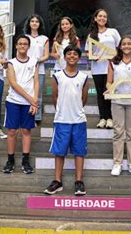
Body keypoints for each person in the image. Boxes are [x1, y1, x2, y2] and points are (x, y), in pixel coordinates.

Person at [44, 45, 89, 196]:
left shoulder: (83, 77)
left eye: (75, 54)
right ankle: (57, 181)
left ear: (79, 57)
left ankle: (79, 181)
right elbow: (55, 97)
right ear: (64, 56)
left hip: (78, 120)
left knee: (79, 152)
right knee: (59, 152)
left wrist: (75, 110)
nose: (72, 56)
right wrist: (63, 110)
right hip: (62, 119)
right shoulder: (57, 76)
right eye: (69, 54)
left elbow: (83, 99)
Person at [106, 36, 131, 176]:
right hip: (117, 102)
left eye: (129, 44)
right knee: (118, 132)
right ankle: (118, 163)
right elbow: (109, 82)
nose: (126, 46)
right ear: (120, 46)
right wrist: (110, 89)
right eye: (124, 44)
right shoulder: (113, 63)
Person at [3, 35, 39, 174]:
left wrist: (34, 102)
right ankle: (10, 160)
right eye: (20, 43)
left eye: (25, 43)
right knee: (12, 131)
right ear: (16, 46)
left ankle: (26, 160)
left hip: (29, 103)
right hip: (14, 101)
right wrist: (31, 99)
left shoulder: (34, 62)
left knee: (26, 130)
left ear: (28, 46)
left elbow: (36, 82)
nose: (22, 46)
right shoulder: (11, 63)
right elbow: (13, 83)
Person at [86, 9, 121, 129]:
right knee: (100, 94)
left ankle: (110, 118)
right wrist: (93, 57)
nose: (102, 18)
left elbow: (120, 48)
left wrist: (116, 58)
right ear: (95, 18)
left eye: (104, 16)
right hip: (97, 69)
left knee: (110, 93)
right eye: (100, 16)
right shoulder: (91, 35)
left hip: (111, 68)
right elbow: (88, 52)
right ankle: (102, 118)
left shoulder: (113, 32)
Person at [24, 14, 49, 122]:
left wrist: (37, 60)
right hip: (25, 69)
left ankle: (37, 117)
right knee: (26, 92)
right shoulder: (24, 37)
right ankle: (26, 114)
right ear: (29, 23)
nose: (34, 23)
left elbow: (46, 55)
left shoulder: (44, 39)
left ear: (40, 24)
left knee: (37, 94)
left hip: (40, 69)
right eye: (32, 21)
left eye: (37, 21)